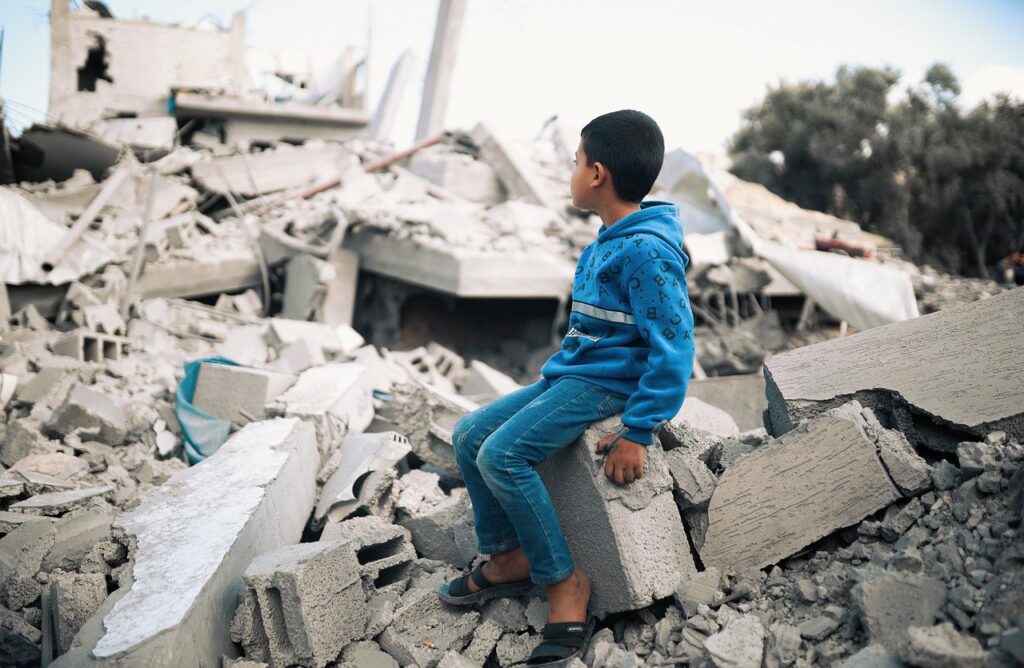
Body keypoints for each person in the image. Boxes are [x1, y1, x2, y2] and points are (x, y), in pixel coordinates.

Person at [438, 110, 695, 666]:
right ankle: (508, 560)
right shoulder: (610, 238)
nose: (571, 172)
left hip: (610, 386)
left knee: (504, 456)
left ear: (597, 173)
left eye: (575, 162)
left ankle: (564, 581)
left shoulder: (647, 250)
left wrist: (639, 429)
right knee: (468, 434)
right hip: (575, 373)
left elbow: (674, 349)